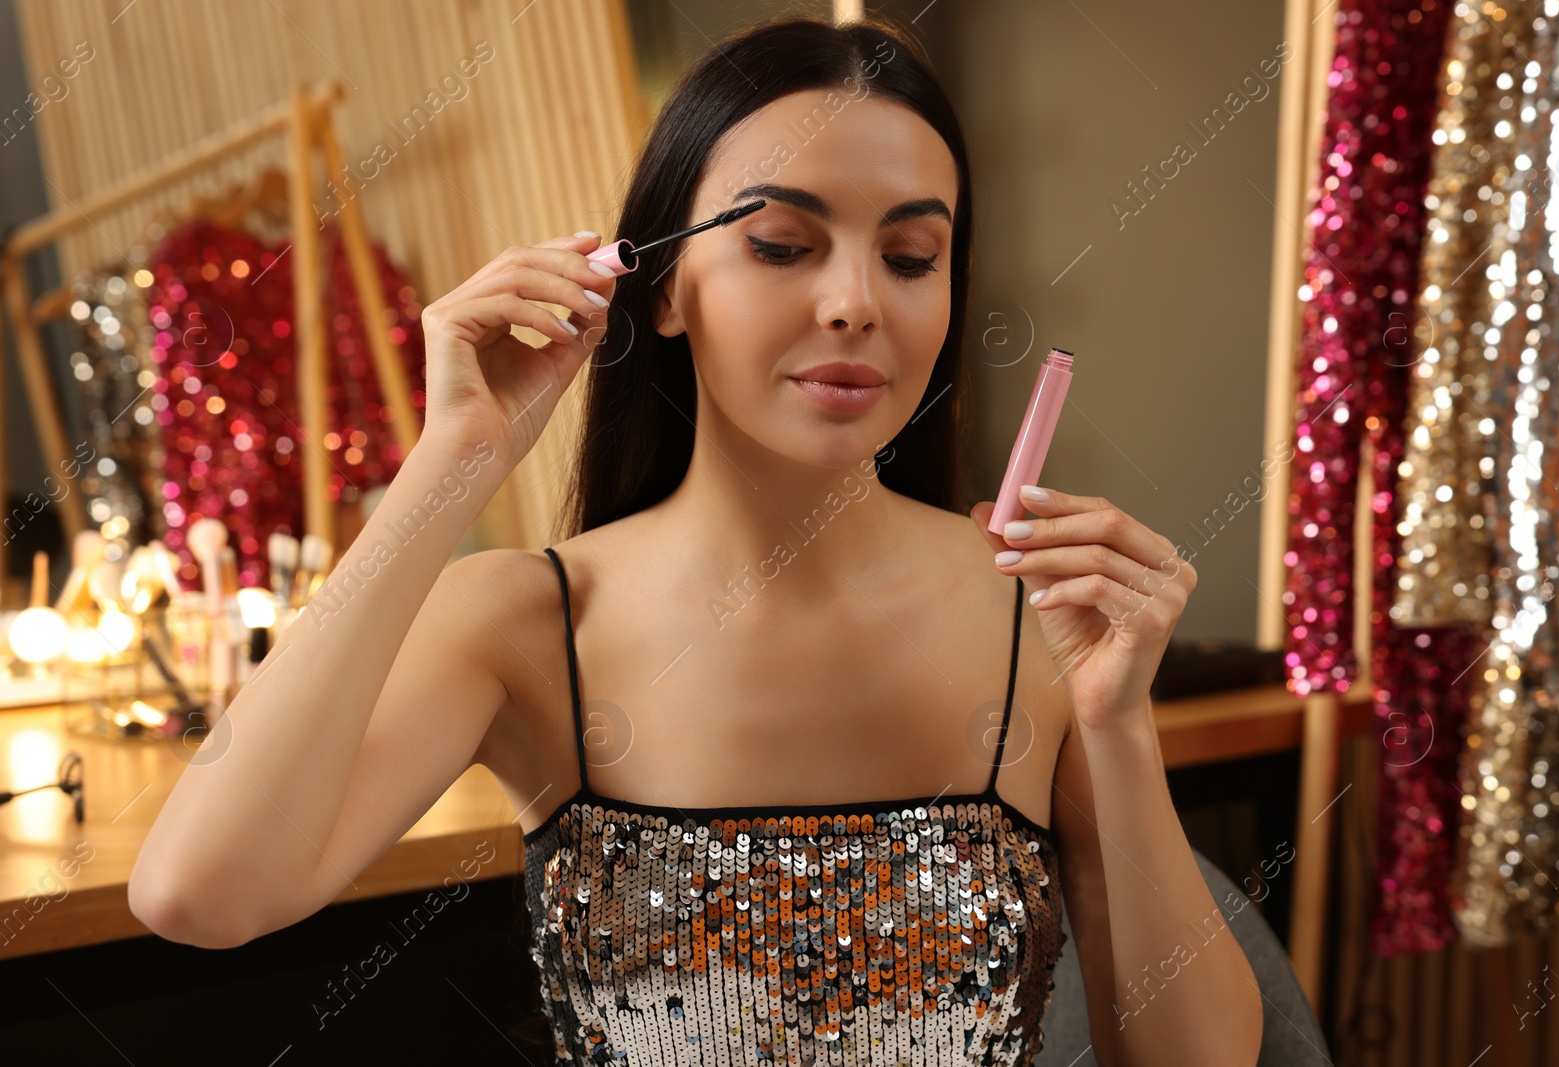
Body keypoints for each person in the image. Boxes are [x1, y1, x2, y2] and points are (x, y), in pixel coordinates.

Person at [128, 14, 1262, 1066]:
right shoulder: (528, 622)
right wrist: (452, 463)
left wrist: (1115, 723)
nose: (855, 301)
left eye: (911, 257)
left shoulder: (1038, 613)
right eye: (780, 244)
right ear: (659, 287)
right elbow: (200, 893)